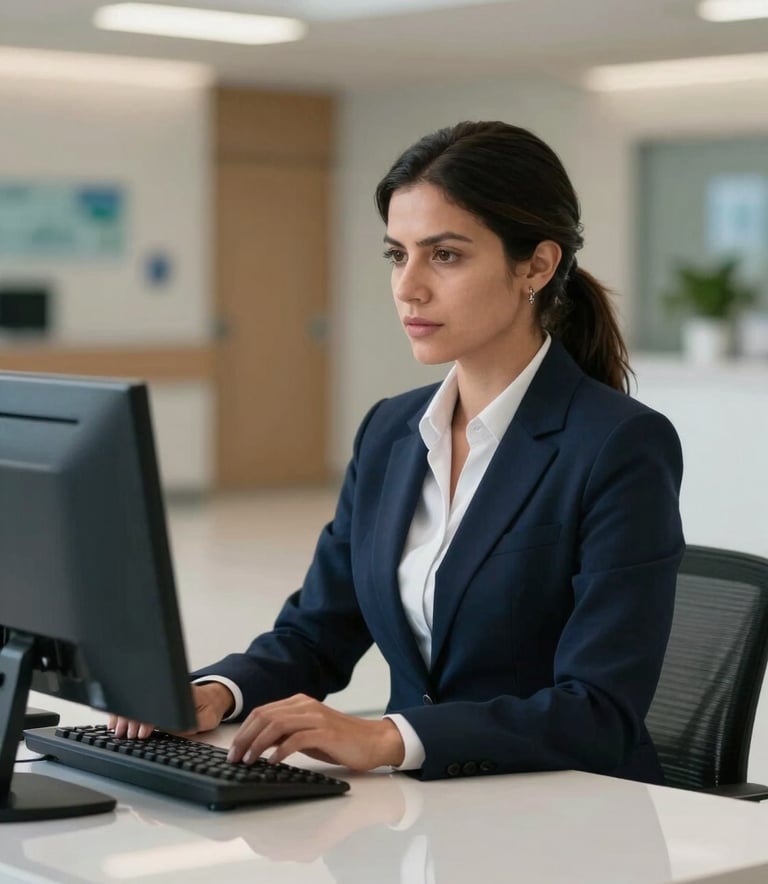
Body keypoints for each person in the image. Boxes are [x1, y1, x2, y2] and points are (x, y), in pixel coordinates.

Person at [112, 121, 684, 784]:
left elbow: (600, 713)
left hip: (567, 811)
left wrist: (390, 737)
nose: (408, 287)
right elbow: (316, 633)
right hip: (420, 812)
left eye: (445, 255)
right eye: (397, 254)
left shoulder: (617, 446)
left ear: (536, 264)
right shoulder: (391, 431)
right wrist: (217, 692)